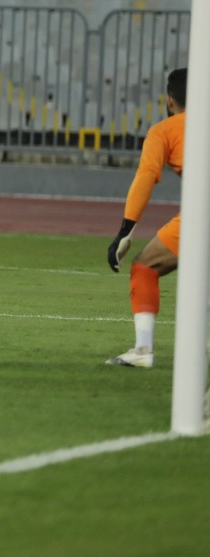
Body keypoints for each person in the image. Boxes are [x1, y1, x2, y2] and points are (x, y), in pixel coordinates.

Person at [106, 68, 186, 369]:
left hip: (203, 214)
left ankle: (143, 349)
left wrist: (125, 232)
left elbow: (146, 176)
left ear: (169, 101)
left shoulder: (164, 130)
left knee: (144, 267)